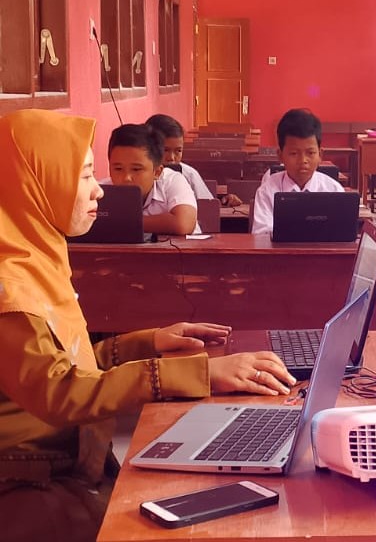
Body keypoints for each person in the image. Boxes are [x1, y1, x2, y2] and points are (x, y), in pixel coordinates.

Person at [0, 109, 296, 540]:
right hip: (30, 478)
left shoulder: (35, 254)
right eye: (86, 176)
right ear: (37, 182)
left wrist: (150, 341)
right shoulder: (9, 285)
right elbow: (61, 392)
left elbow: (69, 362)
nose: (99, 190)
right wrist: (199, 372)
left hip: (66, 461)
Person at [252, 108, 344, 235]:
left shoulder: (334, 191)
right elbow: (261, 236)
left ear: (320, 154)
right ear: (280, 156)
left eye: (310, 153)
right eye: (294, 153)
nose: (303, 160)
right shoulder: (267, 191)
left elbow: (341, 235)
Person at [104, 123, 199, 235]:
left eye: (136, 169)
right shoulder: (101, 191)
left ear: (157, 172)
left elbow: (183, 224)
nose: (126, 178)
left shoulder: (173, 181)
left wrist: (116, 223)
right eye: (118, 169)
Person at [145, 114, 243, 207]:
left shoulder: (189, 174)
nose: (172, 157)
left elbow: (208, 205)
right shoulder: (140, 174)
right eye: (165, 150)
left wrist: (224, 201)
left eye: (178, 151)